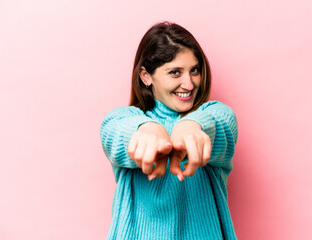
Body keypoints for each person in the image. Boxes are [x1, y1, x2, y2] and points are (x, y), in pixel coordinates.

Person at [100, 21, 238, 240]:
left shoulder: (216, 115)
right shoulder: (122, 119)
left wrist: (191, 126)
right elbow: (114, 132)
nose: (190, 84)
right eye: (175, 72)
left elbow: (219, 123)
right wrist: (146, 129)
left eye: (194, 71)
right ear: (146, 76)